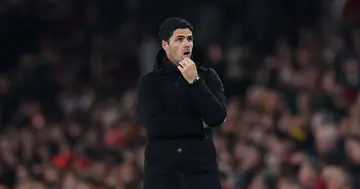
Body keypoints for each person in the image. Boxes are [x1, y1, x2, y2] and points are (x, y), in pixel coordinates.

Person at [137, 17, 227, 189]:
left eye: (189, 39)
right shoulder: (150, 82)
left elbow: (217, 117)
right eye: (179, 39)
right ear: (165, 45)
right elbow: (155, 125)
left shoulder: (208, 77)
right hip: (163, 177)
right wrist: (198, 124)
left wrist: (195, 82)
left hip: (202, 175)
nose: (187, 44)